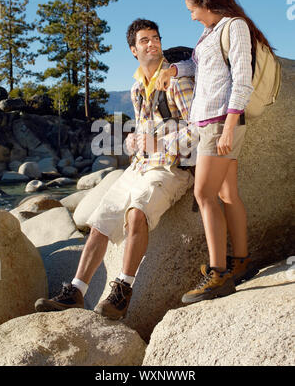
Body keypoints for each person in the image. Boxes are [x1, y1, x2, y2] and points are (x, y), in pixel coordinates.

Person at [35, 18, 195, 320]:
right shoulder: (137, 89)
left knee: (137, 212)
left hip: (172, 168)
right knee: (101, 219)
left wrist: (158, 143)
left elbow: (196, 131)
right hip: (140, 166)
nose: (152, 43)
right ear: (133, 50)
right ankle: (76, 292)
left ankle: (122, 289)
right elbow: (146, 130)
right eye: (144, 40)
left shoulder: (178, 81)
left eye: (155, 38)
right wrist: (135, 141)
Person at [156, 0, 269, 304]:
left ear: (206, 3)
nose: (191, 16)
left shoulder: (234, 27)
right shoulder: (209, 33)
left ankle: (218, 274)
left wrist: (231, 126)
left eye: (192, 9)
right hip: (211, 122)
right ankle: (241, 263)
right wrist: (175, 69)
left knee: (203, 193)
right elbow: (198, 63)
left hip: (220, 122)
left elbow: (242, 79)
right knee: (227, 193)